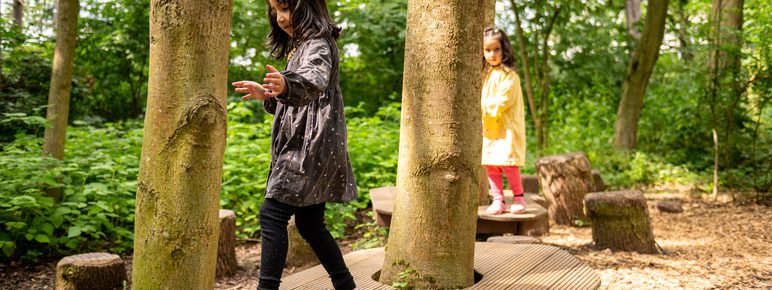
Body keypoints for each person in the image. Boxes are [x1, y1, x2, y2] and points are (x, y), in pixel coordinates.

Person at [231, 0, 357, 289]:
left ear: (309, 7)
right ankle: (345, 284)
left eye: (286, 9)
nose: (281, 18)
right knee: (310, 224)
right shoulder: (300, 46)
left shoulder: (317, 45)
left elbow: (313, 82)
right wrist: (270, 93)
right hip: (313, 147)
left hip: (308, 149)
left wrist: (286, 85)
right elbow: (297, 103)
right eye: (275, 11)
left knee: (272, 214)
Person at [480, 27, 527, 215]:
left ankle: (519, 197)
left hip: (507, 127)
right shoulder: (487, 73)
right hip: (490, 128)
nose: (492, 54)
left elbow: (503, 101)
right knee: (491, 163)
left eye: (496, 49)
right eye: (487, 50)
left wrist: (480, 107)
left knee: (508, 162)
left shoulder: (509, 75)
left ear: (504, 49)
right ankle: (498, 200)